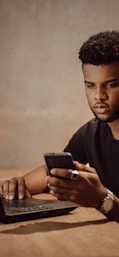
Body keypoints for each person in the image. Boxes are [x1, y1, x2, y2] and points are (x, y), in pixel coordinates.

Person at [0, 30, 119, 222]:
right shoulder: (91, 132)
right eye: (90, 85)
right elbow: (51, 173)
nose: (99, 95)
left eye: (111, 84)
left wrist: (102, 199)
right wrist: (17, 185)